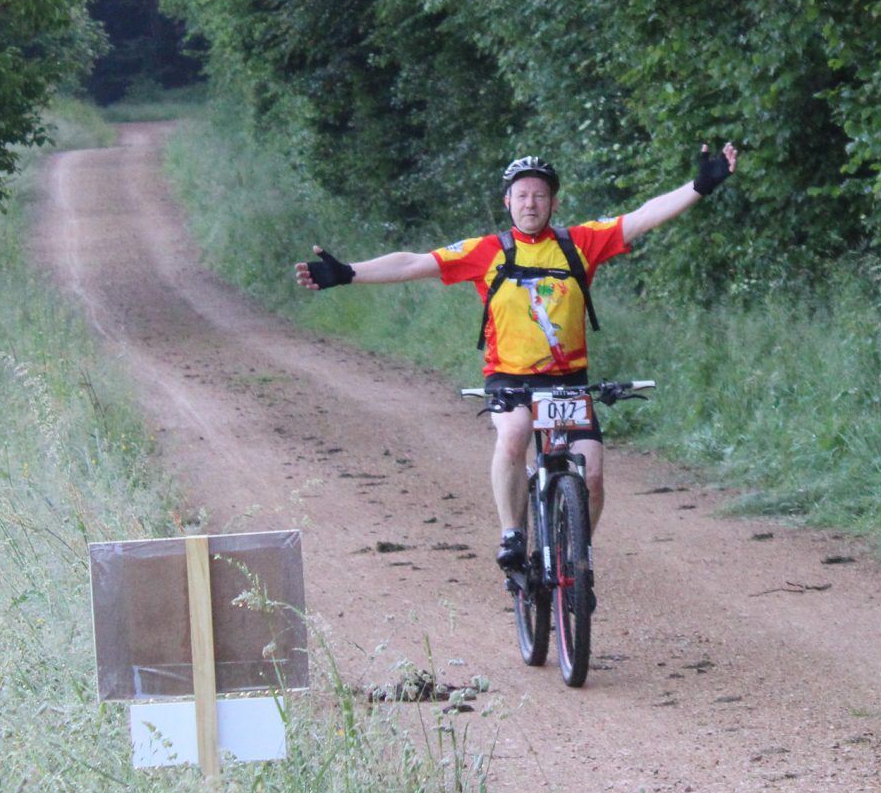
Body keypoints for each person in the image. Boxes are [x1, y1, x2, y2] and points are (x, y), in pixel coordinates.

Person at [294, 143, 740, 577]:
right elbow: (413, 263)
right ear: (507, 201)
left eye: (540, 195)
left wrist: (699, 186)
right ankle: (512, 533)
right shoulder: (487, 250)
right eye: (522, 195)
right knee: (513, 437)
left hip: (569, 381)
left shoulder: (579, 243)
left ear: (554, 203)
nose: (531, 203)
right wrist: (349, 273)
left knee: (592, 476)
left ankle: (577, 560)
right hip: (510, 379)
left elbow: (642, 217)